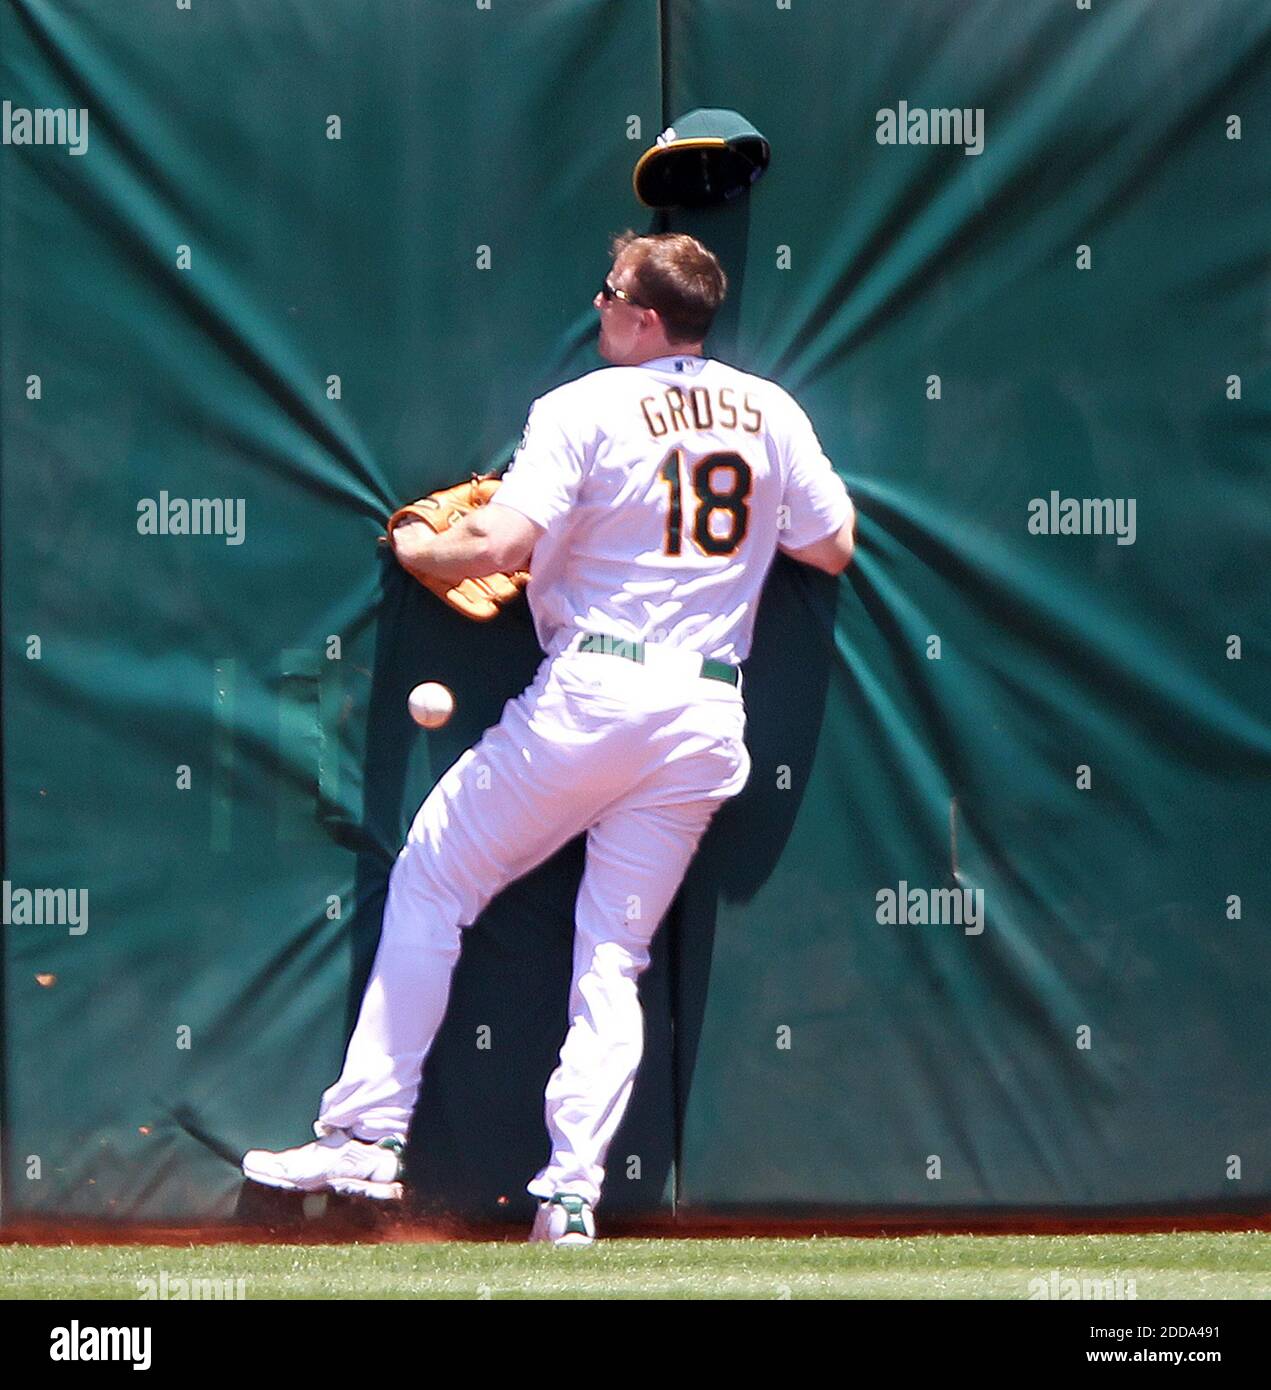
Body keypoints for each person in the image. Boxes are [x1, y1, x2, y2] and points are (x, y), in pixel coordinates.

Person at [241, 230, 856, 1246]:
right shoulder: (770, 412)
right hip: (703, 715)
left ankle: (362, 1135)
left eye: (610, 291)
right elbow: (828, 547)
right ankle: (567, 1196)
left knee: (436, 874)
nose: (599, 304)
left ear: (646, 316)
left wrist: (416, 544)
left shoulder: (579, 407)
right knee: (611, 958)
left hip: (597, 694)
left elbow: (498, 545)